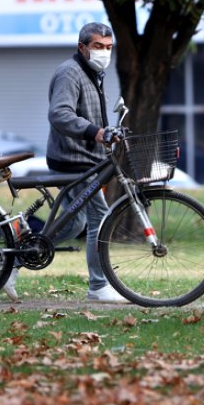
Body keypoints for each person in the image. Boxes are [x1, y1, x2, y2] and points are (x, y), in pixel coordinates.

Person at [43, 22, 128, 303]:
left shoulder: (94, 72)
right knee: (98, 219)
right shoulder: (71, 72)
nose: (104, 53)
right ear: (83, 47)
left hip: (86, 159)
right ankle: (99, 286)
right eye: (98, 47)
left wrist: (108, 131)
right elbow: (60, 114)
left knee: (74, 222)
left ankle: (12, 259)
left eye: (108, 48)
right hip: (73, 159)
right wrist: (96, 132)